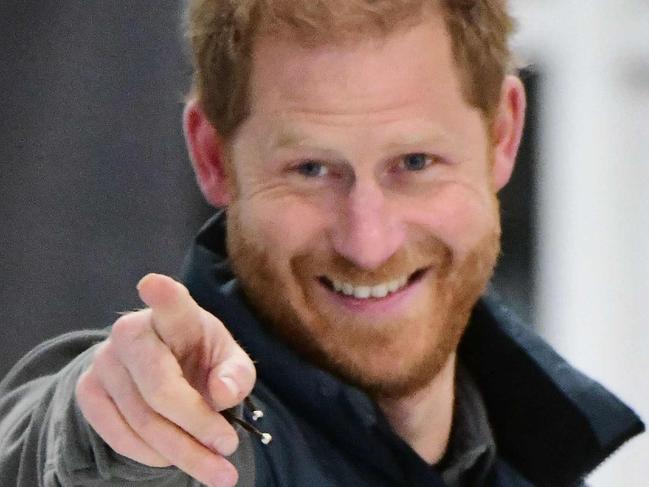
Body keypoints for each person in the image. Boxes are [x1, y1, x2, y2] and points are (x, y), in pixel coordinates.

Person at [0, 0, 643, 486]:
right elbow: (50, 448)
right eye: (311, 169)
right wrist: (113, 428)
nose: (368, 241)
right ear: (212, 155)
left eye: (415, 162)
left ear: (502, 132)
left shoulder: (528, 453)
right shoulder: (205, 435)